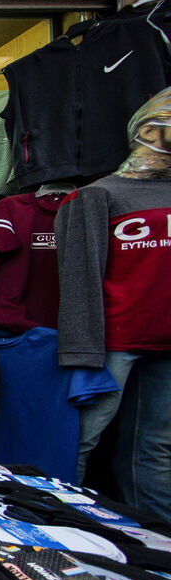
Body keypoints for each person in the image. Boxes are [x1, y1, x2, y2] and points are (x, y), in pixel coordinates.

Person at [58, 87, 171, 515]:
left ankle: (156, 537)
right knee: (81, 438)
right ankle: (60, 521)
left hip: (165, 340)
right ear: (147, 129)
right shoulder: (97, 196)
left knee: (155, 445)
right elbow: (80, 276)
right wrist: (81, 348)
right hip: (113, 340)